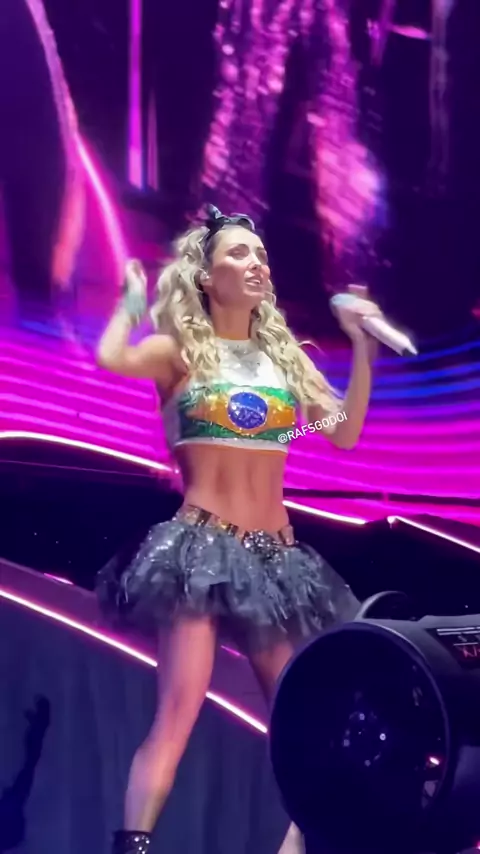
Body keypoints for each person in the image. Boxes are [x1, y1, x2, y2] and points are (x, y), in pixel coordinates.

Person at [96, 205, 380, 854]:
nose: (257, 265)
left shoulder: (284, 360)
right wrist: (131, 308)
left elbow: (342, 431)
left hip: (277, 560)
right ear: (206, 276)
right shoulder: (180, 352)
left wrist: (362, 348)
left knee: (301, 725)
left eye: (261, 256)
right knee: (178, 713)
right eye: (239, 254)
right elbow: (113, 357)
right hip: (201, 549)